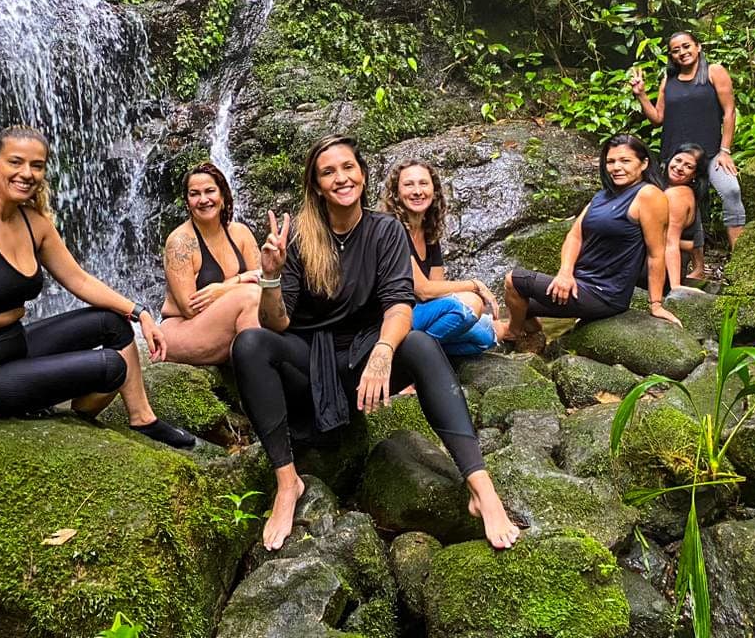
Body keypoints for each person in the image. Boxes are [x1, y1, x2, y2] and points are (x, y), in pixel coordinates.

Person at [232, 134, 521, 552]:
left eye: (348, 168)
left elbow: (400, 307)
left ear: (363, 175)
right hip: (311, 363)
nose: (341, 178)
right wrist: (271, 276)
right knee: (249, 344)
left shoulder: (385, 230)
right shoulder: (299, 238)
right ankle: (287, 482)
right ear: (316, 185)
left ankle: (481, 488)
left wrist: (384, 352)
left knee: (420, 344)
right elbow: (275, 322)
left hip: (365, 358)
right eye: (328, 172)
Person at [0, 124, 195, 448]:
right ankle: (67, 411)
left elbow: (78, 279)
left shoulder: (33, 222)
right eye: (15, 162)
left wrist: (140, 313)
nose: (26, 173)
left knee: (112, 324)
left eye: (36, 165)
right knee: (112, 365)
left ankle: (142, 418)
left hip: (15, 345)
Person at [500, 134, 680, 353]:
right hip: (578, 285)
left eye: (625, 161)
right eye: (611, 161)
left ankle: (513, 333)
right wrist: (565, 273)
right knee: (519, 304)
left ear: (643, 163)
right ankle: (536, 338)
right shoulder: (602, 196)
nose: (616, 167)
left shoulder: (648, 195)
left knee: (513, 280)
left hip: (604, 294)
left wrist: (656, 304)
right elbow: (575, 236)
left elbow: (656, 254)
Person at [630, 30, 746, 268]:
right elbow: (657, 118)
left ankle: (741, 257)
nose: (682, 53)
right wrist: (641, 95)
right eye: (676, 50)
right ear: (671, 56)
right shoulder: (668, 80)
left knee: (731, 190)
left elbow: (729, 111)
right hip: (676, 157)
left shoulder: (714, 72)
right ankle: (699, 267)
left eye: (686, 46)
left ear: (698, 46)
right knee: (687, 207)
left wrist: (725, 150)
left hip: (711, 154)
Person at [381, 160, 501, 355]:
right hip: (393, 318)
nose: (417, 191)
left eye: (423, 183)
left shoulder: (428, 231)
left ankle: (426, 351)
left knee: (485, 338)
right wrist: (475, 285)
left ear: (434, 190)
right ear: (396, 193)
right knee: (469, 305)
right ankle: (411, 362)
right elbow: (423, 291)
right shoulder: (392, 229)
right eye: (409, 184)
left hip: (420, 314)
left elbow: (436, 290)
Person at [158, 162, 262, 365]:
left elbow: (263, 279)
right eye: (194, 194)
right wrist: (236, 283)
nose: (203, 199)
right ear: (187, 202)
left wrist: (222, 290)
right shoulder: (181, 242)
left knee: (259, 298)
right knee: (250, 296)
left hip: (225, 327)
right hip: (182, 330)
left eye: (210, 191)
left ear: (222, 197)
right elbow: (190, 308)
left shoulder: (240, 233)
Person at [662, 144, 708, 287]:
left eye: (688, 166)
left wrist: (675, 288)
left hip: (662, 268)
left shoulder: (677, 195)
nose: (679, 167)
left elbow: (671, 242)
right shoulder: (665, 186)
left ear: (694, 174)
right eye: (678, 160)